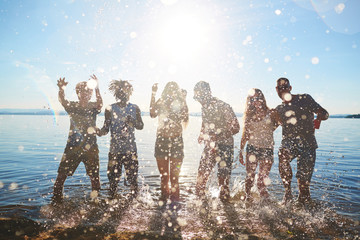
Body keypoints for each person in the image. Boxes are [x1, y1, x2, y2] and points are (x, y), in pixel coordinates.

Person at [275, 77, 329, 204]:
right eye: (280, 88)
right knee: (282, 155)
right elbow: (270, 128)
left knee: (304, 189)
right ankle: (287, 193)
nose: (283, 89)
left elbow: (325, 113)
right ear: (276, 90)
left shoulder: (305, 99)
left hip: (308, 143)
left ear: (290, 88)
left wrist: (321, 116)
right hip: (288, 142)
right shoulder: (279, 108)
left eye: (285, 87)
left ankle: (305, 205)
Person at [53, 75, 103, 203]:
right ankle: (57, 202)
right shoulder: (73, 106)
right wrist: (61, 89)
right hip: (72, 148)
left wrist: (97, 87)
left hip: (90, 148)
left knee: (95, 179)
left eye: (88, 91)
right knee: (61, 178)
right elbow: (62, 100)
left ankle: (96, 204)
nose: (86, 93)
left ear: (91, 93)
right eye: (83, 91)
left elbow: (100, 104)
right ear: (77, 93)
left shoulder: (92, 107)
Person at [193, 81, 240, 202]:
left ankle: (227, 215)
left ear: (208, 93)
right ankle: (200, 212)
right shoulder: (204, 106)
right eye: (196, 97)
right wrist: (202, 133)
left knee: (223, 184)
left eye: (200, 96)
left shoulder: (223, 106)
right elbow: (205, 122)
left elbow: (236, 128)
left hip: (225, 146)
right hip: (210, 146)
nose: (198, 100)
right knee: (200, 179)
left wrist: (217, 136)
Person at [97, 80, 144, 198]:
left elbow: (141, 126)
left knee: (133, 180)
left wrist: (133, 122)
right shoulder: (110, 109)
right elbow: (105, 129)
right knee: (113, 182)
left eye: (127, 90)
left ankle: (134, 203)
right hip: (114, 151)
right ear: (117, 92)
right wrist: (97, 131)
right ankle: (111, 202)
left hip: (131, 150)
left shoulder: (135, 108)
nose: (124, 92)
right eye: (122, 90)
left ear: (130, 92)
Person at [239, 88, 280, 203]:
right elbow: (245, 134)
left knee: (261, 182)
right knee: (250, 177)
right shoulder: (249, 115)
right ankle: (248, 200)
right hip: (252, 148)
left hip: (267, 150)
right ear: (250, 101)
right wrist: (241, 151)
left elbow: (278, 124)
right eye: (253, 99)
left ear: (262, 98)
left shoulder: (272, 113)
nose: (256, 101)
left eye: (258, 98)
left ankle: (266, 204)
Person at [150, 82, 189, 202]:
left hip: (176, 141)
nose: (171, 92)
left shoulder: (181, 103)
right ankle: (164, 208)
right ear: (165, 91)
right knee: (164, 177)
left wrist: (183, 99)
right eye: (169, 89)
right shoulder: (161, 102)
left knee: (174, 178)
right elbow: (152, 114)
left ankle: (174, 206)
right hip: (162, 140)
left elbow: (185, 117)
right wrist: (153, 94)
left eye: (173, 90)